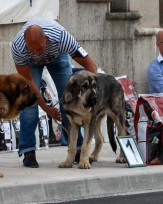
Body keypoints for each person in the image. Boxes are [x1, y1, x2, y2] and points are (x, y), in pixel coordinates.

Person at [11, 19, 98, 168]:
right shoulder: (18, 47)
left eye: (39, 48)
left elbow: (91, 65)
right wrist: (48, 110)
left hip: (57, 56)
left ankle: (77, 149)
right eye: (32, 50)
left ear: (46, 39)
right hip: (30, 64)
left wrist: (91, 92)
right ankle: (28, 151)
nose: (37, 54)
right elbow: (29, 85)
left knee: (69, 102)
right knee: (29, 104)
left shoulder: (62, 38)